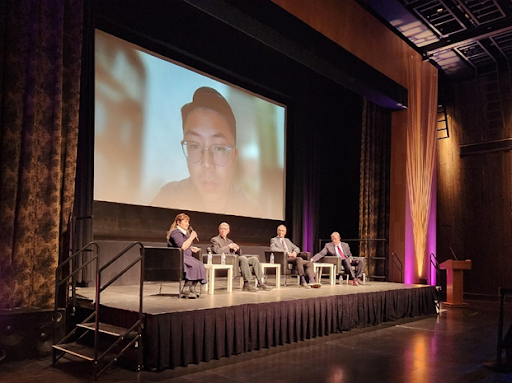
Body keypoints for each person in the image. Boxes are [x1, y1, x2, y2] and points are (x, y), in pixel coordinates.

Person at [152, 86, 260, 216]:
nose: (207, 164)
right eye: (194, 146)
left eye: (219, 148)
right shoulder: (167, 198)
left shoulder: (251, 210)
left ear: (235, 157)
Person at [211, 222, 272, 292]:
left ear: (228, 231)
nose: (223, 230)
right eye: (221, 229)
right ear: (219, 230)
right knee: (243, 258)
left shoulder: (230, 241)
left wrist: (237, 249)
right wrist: (228, 247)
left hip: (235, 260)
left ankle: (260, 283)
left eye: (225, 229)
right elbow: (217, 251)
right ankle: (246, 284)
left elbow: (239, 254)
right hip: (226, 261)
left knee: (254, 259)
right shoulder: (215, 240)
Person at [166, 213, 207, 298]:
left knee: (200, 265)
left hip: (187, 256)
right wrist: (191, 238)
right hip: (179, 257)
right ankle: (186, 288)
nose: (188, 224)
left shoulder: (186, 233)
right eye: (185, 221)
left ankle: (192, 287)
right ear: (178, 222)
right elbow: (181, 247)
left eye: (188, 222)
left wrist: (192, 248)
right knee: (193, 265)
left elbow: (187, 245)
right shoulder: (176, 232)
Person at [270, 224, 320, 288]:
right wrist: (286, 252)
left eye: (282, 231)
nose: (281, 232)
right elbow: (273, 248)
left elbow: (297, 248)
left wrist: (294, 252)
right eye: (279, 230)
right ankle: (302, 280)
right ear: (277, 231)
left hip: (292, 258)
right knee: (299, 259)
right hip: (283, 258)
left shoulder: (287, 240)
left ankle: (312, 281)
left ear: (285, 232)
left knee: (309, 263)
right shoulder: (274, 240)